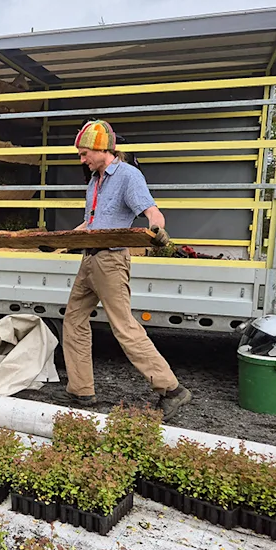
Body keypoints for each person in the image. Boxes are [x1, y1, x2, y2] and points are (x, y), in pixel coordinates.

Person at [58, 120, 192, 419]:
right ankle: (81, 389)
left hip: (110, 261)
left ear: (101, 149)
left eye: (84, 154)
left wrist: (156, 230)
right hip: (89, 260)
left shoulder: (128, 176)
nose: (82, 160)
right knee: (73, 320)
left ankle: (172, 390)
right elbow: (92, 223)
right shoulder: (95, 181)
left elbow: (151, 211)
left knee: (124, 327)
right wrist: (61, 242)